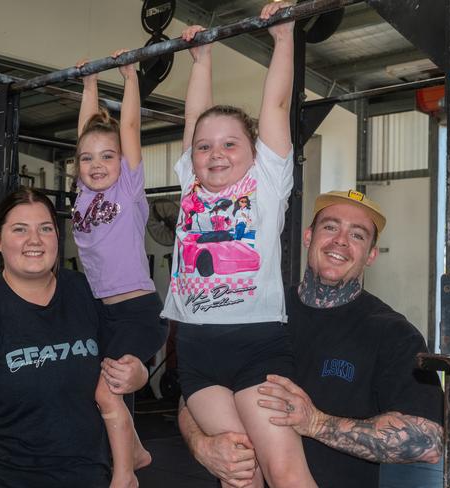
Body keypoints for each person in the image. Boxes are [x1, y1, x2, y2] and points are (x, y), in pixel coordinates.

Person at [178, 189, 444, 488]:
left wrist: (316, 423)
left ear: (371, 254)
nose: (340, 240)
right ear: (308, 236)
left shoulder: (393, 334)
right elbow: (194, 392)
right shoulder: (253, 311)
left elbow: (429, 440)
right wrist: (202, 445)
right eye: (330, 226)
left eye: (357, 235)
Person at [161, 4, 316, 487]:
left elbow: (274, 107)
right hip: (197, 348)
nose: (215, 153)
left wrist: (284, 38)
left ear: (254, 153)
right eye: (205, 146)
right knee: (237, 471)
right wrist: (201, 60)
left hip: (258, 344)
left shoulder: (267, 183)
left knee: (284, 471)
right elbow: (195, 117)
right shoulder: (189, 181)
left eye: (231, 144)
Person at [0, 188, 148, 488]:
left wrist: (139, 374)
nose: (34, 240)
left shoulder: (88, 293)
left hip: (89, 478)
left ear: (57, 236)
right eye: (20, 230)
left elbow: (122, 361)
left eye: (45, 229)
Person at [71, 50, 168, 488]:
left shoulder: (127, 189)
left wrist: (130, 78)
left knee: (106, 390)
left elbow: (127, 129)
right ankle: (138, 451)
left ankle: (125, 475)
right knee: (108, 388)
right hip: (101, 312)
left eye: (107, 158)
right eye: (88, 159)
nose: (96, 165)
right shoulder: (83, 193)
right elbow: (86, 133)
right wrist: (89, 86)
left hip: (137, 310)